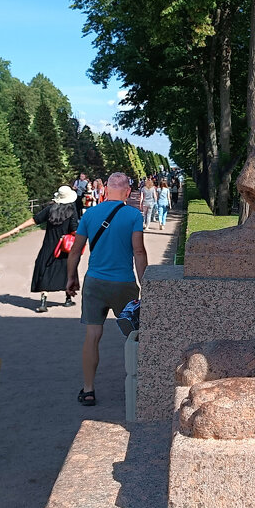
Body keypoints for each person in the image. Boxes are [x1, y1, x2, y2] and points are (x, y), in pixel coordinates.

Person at [66, 172, 147, 407]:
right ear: (126, 192)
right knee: (133, 335)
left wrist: (72, 278)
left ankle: (88, 389)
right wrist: (145, 284)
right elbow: (139, 252)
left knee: (92, 335)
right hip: (124, 283)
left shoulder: (90, 214)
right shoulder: (133, 215)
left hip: (95, 282)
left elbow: (76, 250)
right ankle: (141, 385)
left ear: (106, 190)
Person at [0, 185, 80, 312]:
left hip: (49, 244)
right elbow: (75, 229)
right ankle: (68, 299)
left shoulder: (50, 209)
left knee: (44, 270)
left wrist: (18, 228)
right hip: (64, 247)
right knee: (67, 270)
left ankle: (43, 302)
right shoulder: (71, 210)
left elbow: (35, 220)